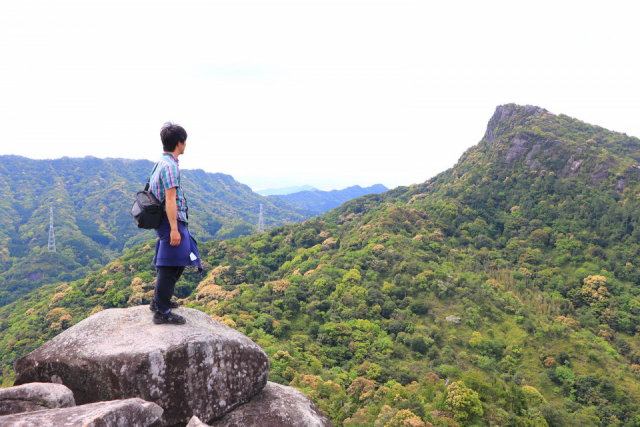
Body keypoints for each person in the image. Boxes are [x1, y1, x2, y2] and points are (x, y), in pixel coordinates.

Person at [148, 122, 202, 324]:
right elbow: (169, 200)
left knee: (177, 261)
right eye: (185, 141)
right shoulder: (170, 167)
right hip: (170, 220)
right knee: (170, 265)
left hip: (166, 219)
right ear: (179, 143)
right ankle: (161, 311)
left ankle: (159, 301)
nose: (185, 145)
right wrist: (173, 229)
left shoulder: (161, 163)